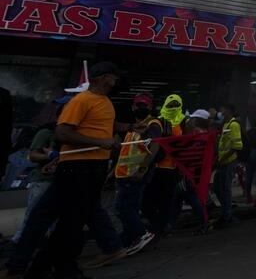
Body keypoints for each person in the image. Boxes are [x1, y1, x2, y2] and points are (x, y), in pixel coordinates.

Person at [31, 62, 121, 279]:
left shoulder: (105, 101)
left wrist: (125, 128)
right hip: (78, 168)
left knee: (74, 221)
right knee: (71, 221)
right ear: (101, 78)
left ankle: (45, 267)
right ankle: (61, 268)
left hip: (95, 168)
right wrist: (99, 142)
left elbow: (100, 126)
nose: (116, 81)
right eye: (113, 77)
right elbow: (62, 133)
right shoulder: (81, 100)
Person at [12, 95, 66, 244]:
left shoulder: (72, 135)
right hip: (43, 180)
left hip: (62, 179)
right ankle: (21, 242)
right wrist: (52, 156)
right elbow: (33, 155)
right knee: (34, 213)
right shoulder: (47, 132)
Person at [114, 94, 163, 255]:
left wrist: (142, 169)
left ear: (150, 107)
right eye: (138, 105)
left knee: (123, 208)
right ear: (133, 107)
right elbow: (127, 150)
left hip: (135, 174)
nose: (141, 108)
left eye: (145, 105)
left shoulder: (152, 124)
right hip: (125, 174)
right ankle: (129, 241)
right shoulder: (134, 126)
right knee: (130, 209)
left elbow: (154, 147)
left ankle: (142, 234)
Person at [144, 94, 189, 237]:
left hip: (172, 169)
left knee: (166, 201)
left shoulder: (184, 122)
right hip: (155, 167)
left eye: (176, 105)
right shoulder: (158, 121)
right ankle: (157, 225)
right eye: (170, 105)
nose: (173, 108)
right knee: (147, 201)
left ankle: (161, 228)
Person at [216, 103, 244, 225]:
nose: (222, 113)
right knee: (218, 187)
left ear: (230, 111)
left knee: (225, 188)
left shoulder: (234, 125)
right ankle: (225, 212)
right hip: (223, 162)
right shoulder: (226, 124)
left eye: (224, 111)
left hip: (229, 161)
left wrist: (223, 159)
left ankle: (227, 215)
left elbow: (237, 146)